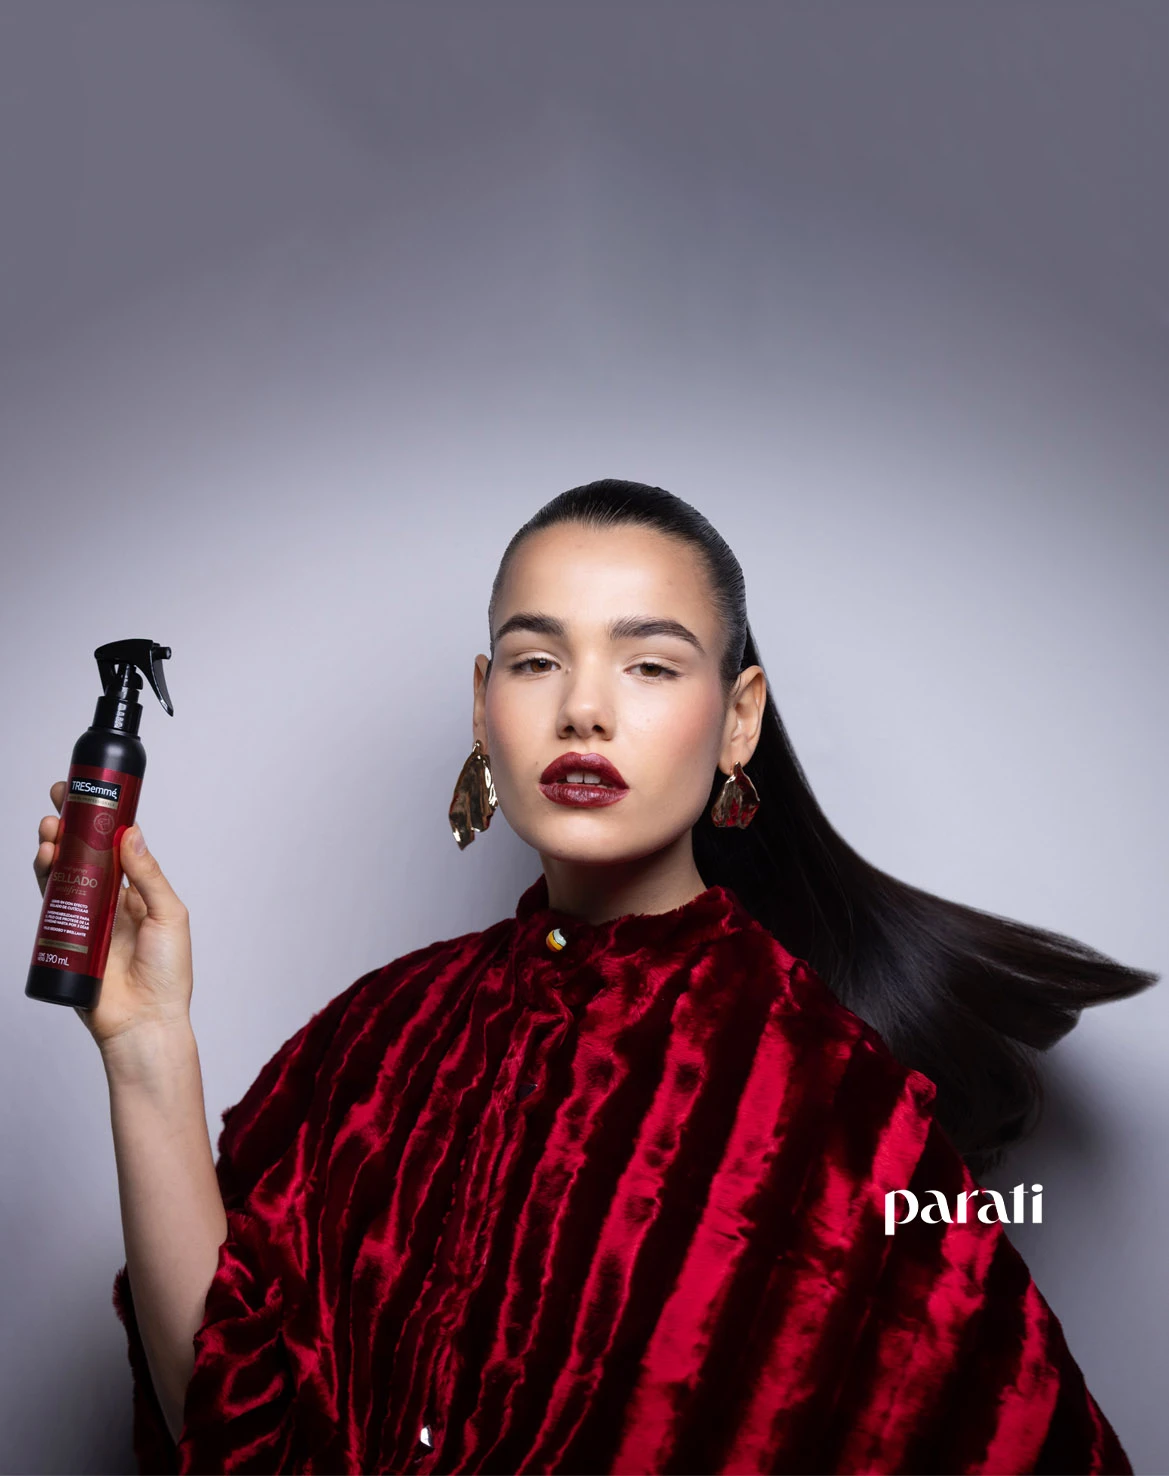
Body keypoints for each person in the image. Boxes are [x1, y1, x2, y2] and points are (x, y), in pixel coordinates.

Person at [38, 479, 1153, 1474]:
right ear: (483, 705)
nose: (582, 707)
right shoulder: (374, 1039)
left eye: (649, 664)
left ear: (739, 720)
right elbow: (224, 1424)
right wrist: (145, 1044)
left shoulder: (834, 1106)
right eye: (536, 661)